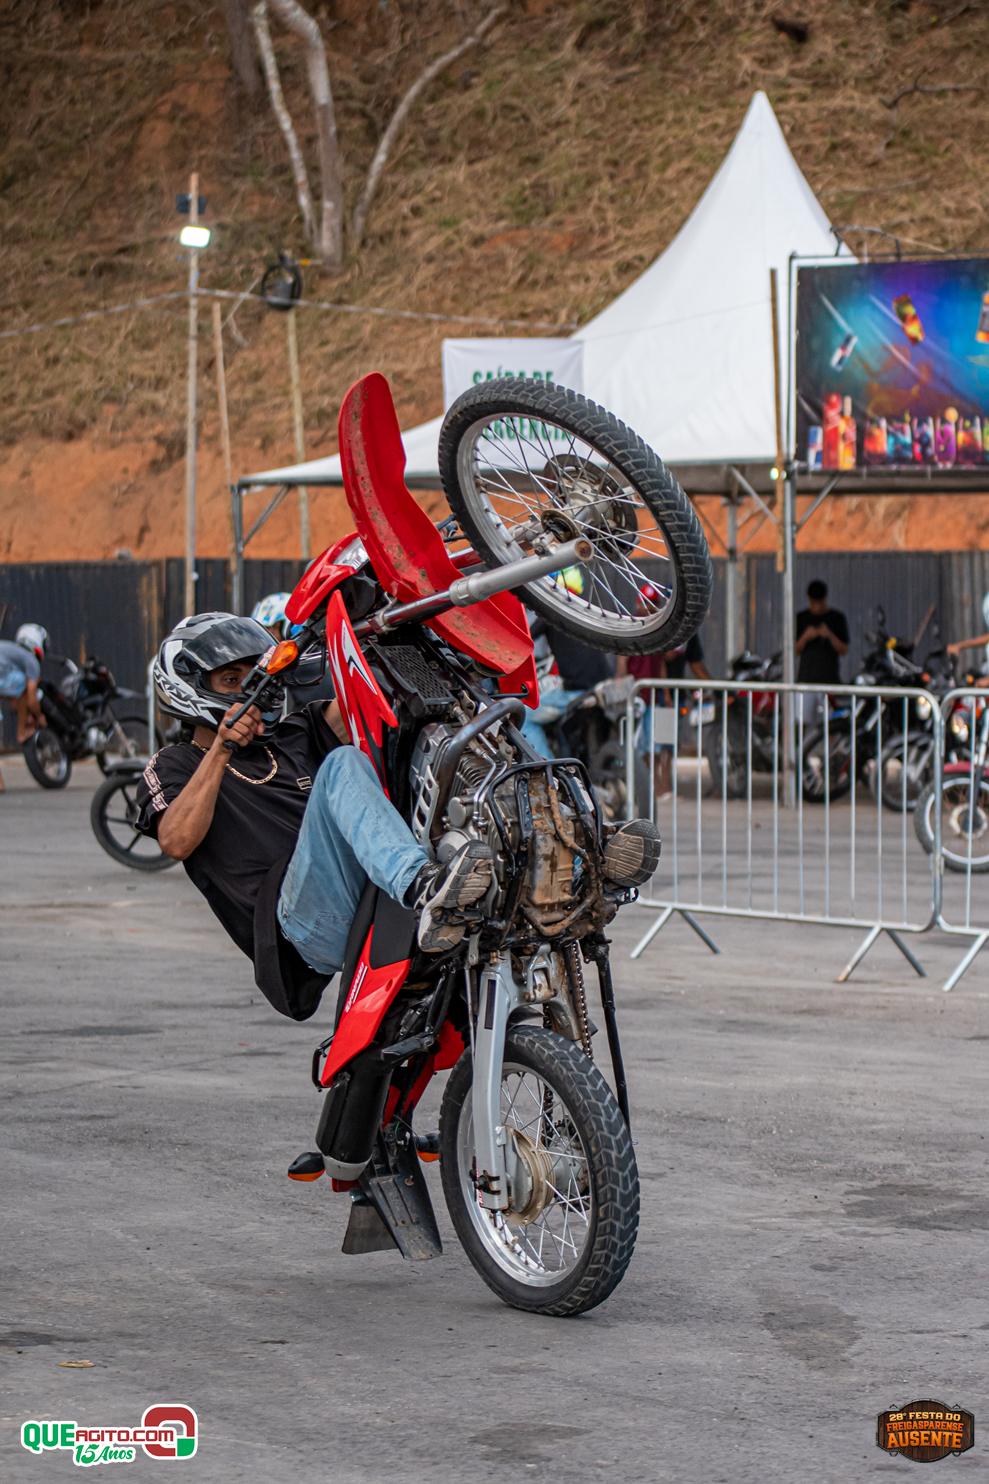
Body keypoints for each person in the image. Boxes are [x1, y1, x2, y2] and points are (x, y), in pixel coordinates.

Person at [135, 613, 493, 1020]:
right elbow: (177, 841)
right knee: (342, 763)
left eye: (255, 677)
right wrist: (222, 748)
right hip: (299, 929)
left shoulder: (296, 734)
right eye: (231, 681)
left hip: (363, 895)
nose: (248, 690)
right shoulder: (176, 763)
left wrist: (390, 624)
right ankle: (422, 886)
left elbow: (364, 692)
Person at [615, 587, 712, 800]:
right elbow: (623, 660)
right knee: (640, 745)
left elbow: (662, 665)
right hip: (638, 695)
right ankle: (642, 787)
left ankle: (660, 787)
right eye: (644, 603)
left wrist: (666, 694)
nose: (647, 608)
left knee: (659, 745)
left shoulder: (663, 629)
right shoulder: (635, 626)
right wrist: (621, 687)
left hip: (655, 697)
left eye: (651, 604)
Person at [0, 624, 48, 794]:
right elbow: (31, 697)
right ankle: (21, 733)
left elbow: (9, 695)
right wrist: (39, 716)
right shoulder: (31, 661)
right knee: (24, 688)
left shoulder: (10, 653)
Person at [795, 579, 849, 724]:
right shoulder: (801, 618)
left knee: (830, 724)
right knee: (802, 722)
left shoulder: (836, 618)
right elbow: (794, 650)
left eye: (819, 603)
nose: (817, 607)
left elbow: (844, 649)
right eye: (814, 603)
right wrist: (806, 637)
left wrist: (829, 635)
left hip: (830, 682)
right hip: (806, 682)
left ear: (825, 599)